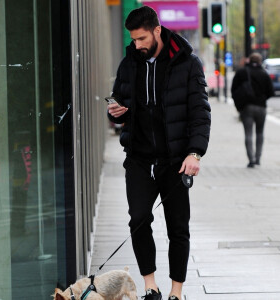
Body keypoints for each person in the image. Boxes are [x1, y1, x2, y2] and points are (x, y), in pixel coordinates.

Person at [107, 6, 211, 300]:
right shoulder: (130, 63)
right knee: (138, 219)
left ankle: (176, 292)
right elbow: (119, 103)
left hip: (175, 162)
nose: (136, 45)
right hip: (139, 159)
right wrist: (114, 111)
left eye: (141, 39)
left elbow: (200, 113)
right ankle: (150, 286)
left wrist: (195, 153)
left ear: (156, 30)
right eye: (133, 40)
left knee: (178, 227)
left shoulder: (187, 63)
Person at [231, 52, 274, 168]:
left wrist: (239, 105)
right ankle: (258, 158)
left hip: (247, 107)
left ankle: (251, 160)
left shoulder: (242, 72)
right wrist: (262, 98)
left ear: (249, 60)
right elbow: (271, 92)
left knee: (248, 133)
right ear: (260, 62)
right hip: (261, 107)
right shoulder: (264, 74)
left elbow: (234, 90)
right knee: (260, 133)